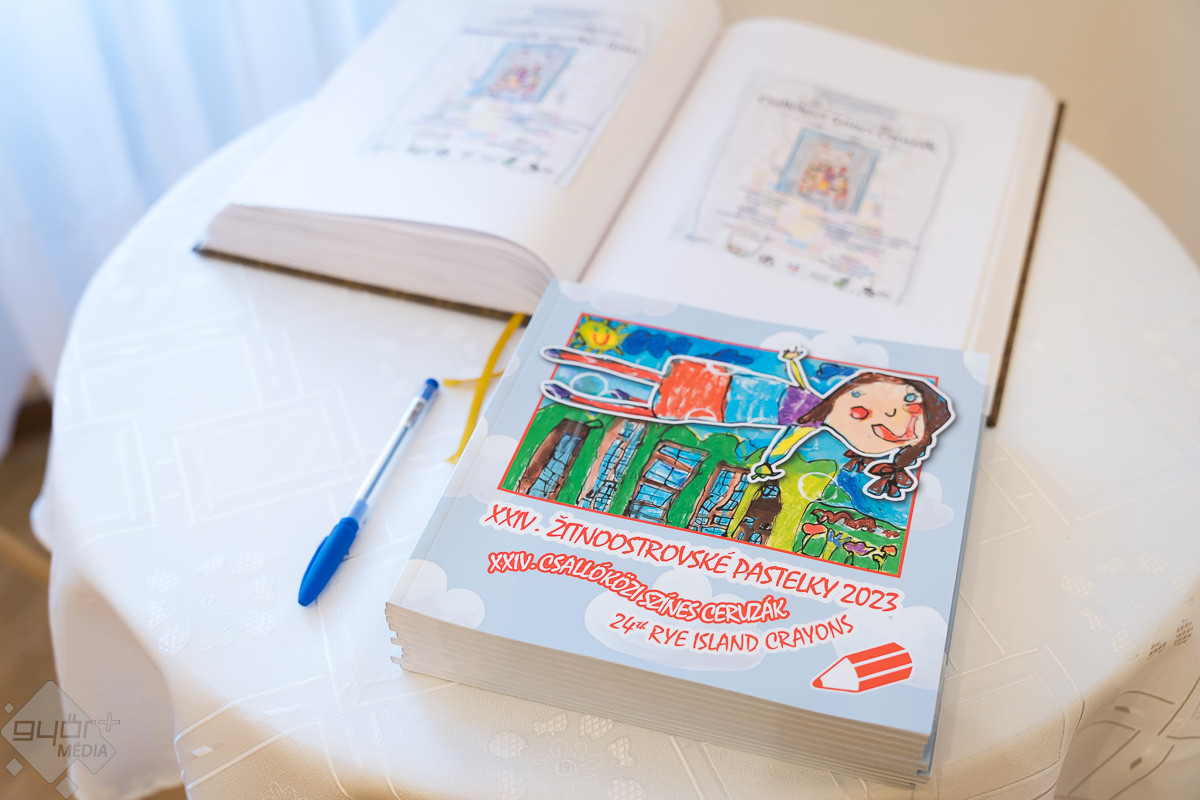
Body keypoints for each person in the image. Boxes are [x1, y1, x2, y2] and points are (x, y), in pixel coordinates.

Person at [538, 346, 953, 501]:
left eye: (888, 433)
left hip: (724, 410)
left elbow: (784, 445)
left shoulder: (808, 424)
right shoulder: (812, 403)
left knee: (652, 404)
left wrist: (769, 464)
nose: (874, 413)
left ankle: (578, 397)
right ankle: (576, 358)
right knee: (651, 379)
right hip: (728, 383)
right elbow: (799, 383)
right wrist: (792, 362)